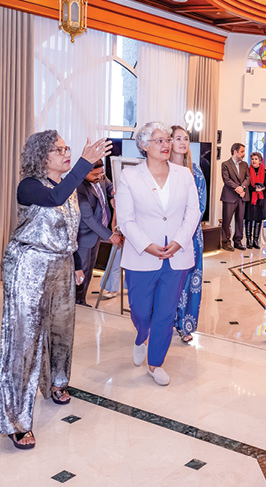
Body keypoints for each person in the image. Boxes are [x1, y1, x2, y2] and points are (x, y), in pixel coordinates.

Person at [0, 131, 111, 450]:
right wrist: (84, 161)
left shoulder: (67, 187)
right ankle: (16, 421)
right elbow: (54, 199)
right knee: (24, 341)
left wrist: (76, 263)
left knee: (61, 329)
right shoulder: (29, 186)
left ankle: (56, 382)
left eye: (66, 148)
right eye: (58, 149)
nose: (65, 153)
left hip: (61, 264)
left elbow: (69, 228)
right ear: (41, 156)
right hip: (29, 265)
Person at [115, 122, 201, 386]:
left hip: (176, 256)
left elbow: (193, 212)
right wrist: (146, 245)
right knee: (140, 310)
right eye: (159, 141)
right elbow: (125, 219)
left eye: (167, 140)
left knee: (165, 312)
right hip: (142, 255)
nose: (166, 145)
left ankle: (156, 363)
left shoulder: (183, 175)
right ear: (144, 145)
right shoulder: (130, 176)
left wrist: (179, 241)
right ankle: (142, 335)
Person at [170, 125, 207, 344]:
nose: (183, 142)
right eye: (178, 138)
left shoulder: (196, 171)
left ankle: (185, 325)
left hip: (191, 235)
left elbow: (200, 206)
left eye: (185, 139)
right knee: (169, 281)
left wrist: (184, 231)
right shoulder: (162, 170)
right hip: (166, 234)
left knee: (189, 280)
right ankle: (166, 322)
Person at [75, 160, 122, 305]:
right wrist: (110, 235)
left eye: (101, 173)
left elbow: (109, 186)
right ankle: (76, 302)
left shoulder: (100, 175)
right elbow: (88, 218)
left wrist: (113, 195)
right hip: (84, 236)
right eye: (95, 174)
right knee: (81, 272)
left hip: (95, 235)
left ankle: (82, 301)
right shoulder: (79, 187)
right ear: (85, 172)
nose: (100, 176)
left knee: (89, 270)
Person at [220, 142, 249, 251]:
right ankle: (226, 242)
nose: (243, 154)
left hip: (242, 196)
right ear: (235, 152)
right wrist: (238, 188)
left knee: (240, 220)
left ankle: (238, 241)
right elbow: (226, 179)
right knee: (226, 221)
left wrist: (243, 188)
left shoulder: (245, 164)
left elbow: (248, 178)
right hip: (229, 197)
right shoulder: (225, 164)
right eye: (242, 151)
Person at [245, 151, 266, 249]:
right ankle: (248, 240)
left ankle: (255, 240)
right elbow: (246, 185)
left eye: (256, 159)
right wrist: (254, 189)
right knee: (249, 219)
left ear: (260, 161)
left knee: (258, 219)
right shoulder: (247, 171)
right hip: (250, 199)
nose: (254, 161)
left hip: (261, 199)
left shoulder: (265, 172)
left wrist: (262, 188)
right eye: (252, 159)